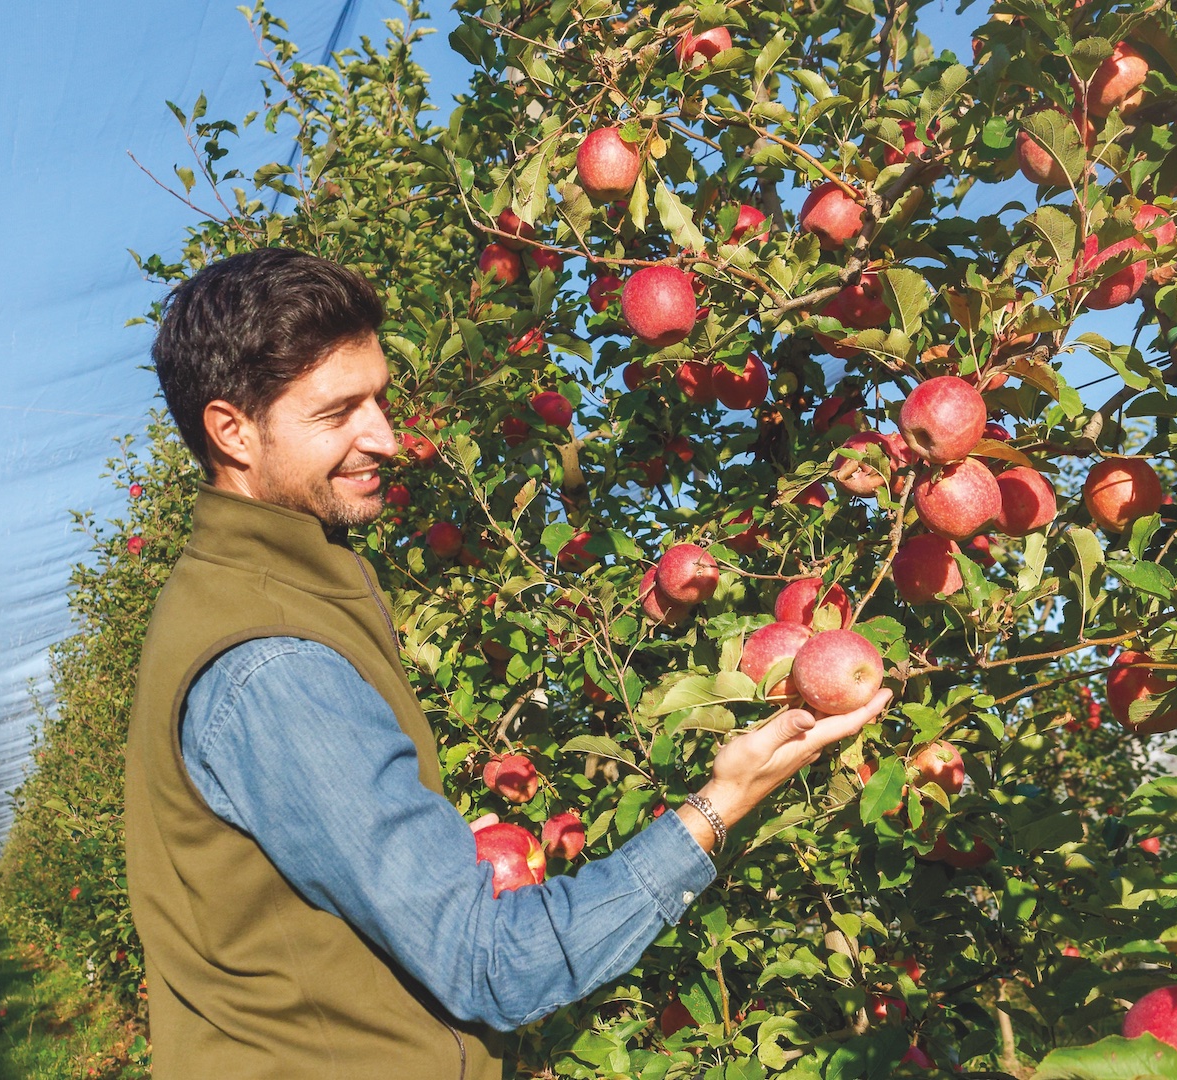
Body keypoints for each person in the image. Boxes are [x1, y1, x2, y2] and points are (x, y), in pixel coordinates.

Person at [123, 248, 892, 1080]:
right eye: (338, 412)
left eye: (380, 398)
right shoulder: (274, 663)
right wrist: (720, 804)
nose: (384, 437)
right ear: (232, 430)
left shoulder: (272, 587)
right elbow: (493, 965)